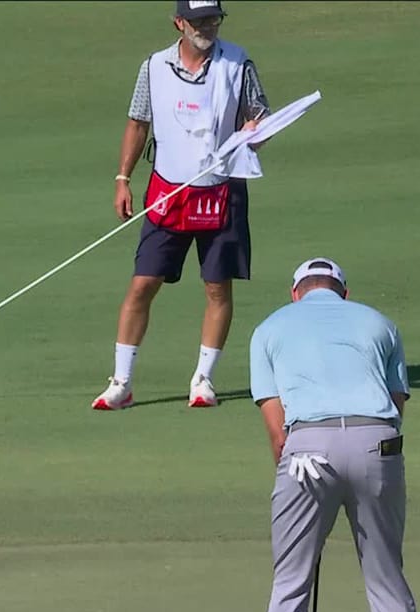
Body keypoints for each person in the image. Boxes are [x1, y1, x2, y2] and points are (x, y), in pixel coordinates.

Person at [246, 257, 420, 612]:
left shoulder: (269, 328)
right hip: (379, 446)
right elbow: (397, 399)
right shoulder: (379, 322)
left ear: (295, 293)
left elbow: (274, 419)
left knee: (290, 585)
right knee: (387, 579)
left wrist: (288, 476)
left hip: (306, 450)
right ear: (344, 293)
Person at [91, 0, 271, 411]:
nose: (207, 26)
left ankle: (203, 379)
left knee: (216, 286)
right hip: (168, 190)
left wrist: (254, 131)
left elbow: (260, 116)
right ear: (179, 23)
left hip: (221, 189)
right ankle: (122, 381)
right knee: (143, 284)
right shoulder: (153, 67)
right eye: (198, 20)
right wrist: (123, 178)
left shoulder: (237, 63)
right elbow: (138, 122)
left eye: (213, 18)